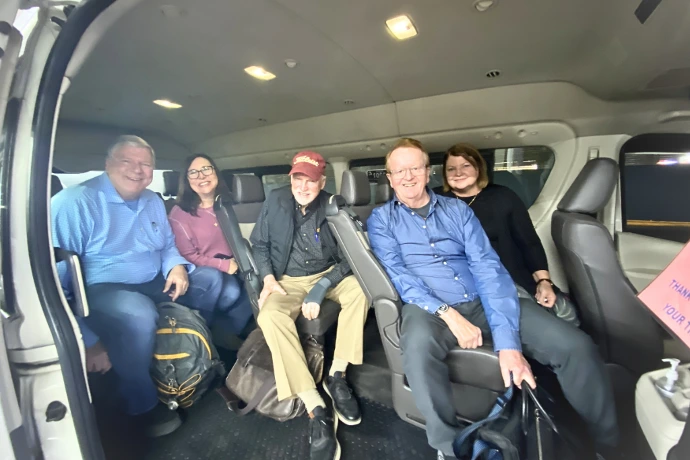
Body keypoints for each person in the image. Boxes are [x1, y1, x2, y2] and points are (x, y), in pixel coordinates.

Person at [367, 138, 619, 459]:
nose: (408, 176)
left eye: (415, 168)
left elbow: (487, 267)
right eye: (399, 171)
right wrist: (449, 314)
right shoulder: (381, 220)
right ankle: (448, 446)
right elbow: (400, 276)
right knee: (417, 350)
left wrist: (508, 343)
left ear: (428, 172)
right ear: (390, 178)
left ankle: (607, 446)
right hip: (428, 307)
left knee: (576, 346)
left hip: (482, 297)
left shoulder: (457, 210)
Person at [52, 136, 232, 437]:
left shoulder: (152, 201)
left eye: (146, 164)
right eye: (127, 161)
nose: (137, 170)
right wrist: (87, 342)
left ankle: (197, 353)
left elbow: (168, 246)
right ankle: (140, 402)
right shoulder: (74, 203)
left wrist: (175, 266)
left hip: (153, 280)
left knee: (210, 280)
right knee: (138, 314)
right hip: (102, 289)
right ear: (108, 164)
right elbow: (55, 282)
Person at [250, 151, 369, 460]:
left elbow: (352, 257)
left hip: (328, 275)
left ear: (322, 182)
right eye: (297, 179)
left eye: (310, 181)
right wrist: (267, 279)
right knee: (270, 315)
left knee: (361, 290)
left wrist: (321, 287)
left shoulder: (334, 206)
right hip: (287, 279)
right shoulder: (275, 201)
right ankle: (315, 405)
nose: (303, 187)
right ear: (290, 179)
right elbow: (260, 245)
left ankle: (337, 375)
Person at [440, 143, 579, 326]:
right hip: (467, 284)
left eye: (465, 166)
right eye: (451, 168)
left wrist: (544, 281)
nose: (458, 173)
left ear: (478, 168)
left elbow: (529, 243)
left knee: (566, 313)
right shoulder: (436, 201)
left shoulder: (503, 196)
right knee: (532, 320)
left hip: (512, 275)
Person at [168, 154, 253, 336]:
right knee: (230, 292)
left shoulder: (228, 204)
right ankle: (203, 334)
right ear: (186, 180)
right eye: (193, 172)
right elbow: (187, 255)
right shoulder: (180, 213)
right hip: (204, 269)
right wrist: (224, 265)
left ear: (215, 173)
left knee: (256, 284)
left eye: (206, 169)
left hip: (237, 263)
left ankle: (229, 335)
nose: (201, 176)